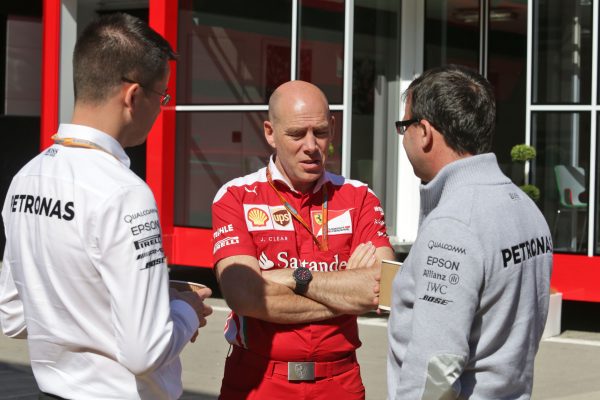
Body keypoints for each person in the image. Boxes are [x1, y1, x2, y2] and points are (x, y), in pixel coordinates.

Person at [0, 13, 212, 400]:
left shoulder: (24, 179)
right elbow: (145, 351)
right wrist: (185, 311)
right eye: (162, 97)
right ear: (133, 96)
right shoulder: (126, 193)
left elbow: (13, 316)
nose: (161, 108)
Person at [211, 80, 396, 399]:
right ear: (270, 132)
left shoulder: (359, 197)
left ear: (333, 128)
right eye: (296, 134)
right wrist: (347, 289)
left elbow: (385, 289)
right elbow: (245, 295)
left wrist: (292, 279)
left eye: (320, 132)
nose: (311, 146)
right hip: (258, 378)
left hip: (339, 380)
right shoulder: (236, 196)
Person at [387, 64, 553, 399]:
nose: (403, 138)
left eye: (404, 126)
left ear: (425, 132)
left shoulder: (453, 225)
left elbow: (435, 365)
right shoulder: (525, 207)